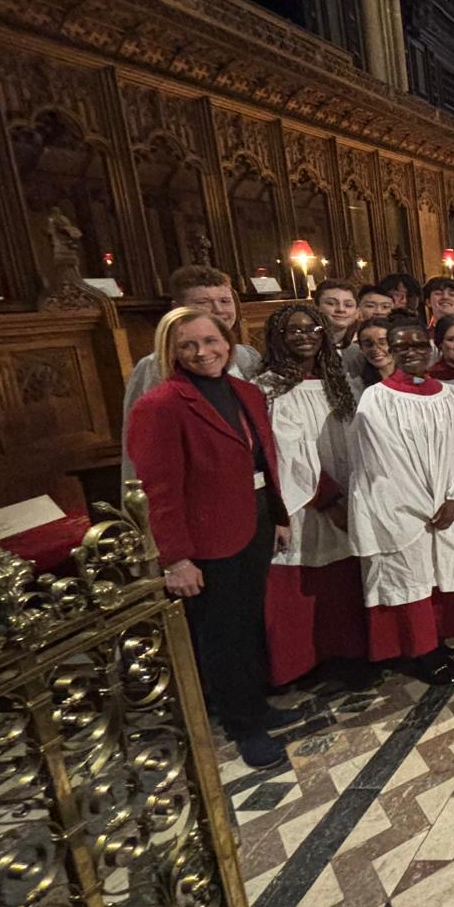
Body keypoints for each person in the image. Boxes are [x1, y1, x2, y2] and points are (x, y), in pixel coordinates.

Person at [126, 307, 292, 768]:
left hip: (255, 522)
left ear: (228, 341)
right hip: (208, 539)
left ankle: (256, 706)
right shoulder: (161, 405)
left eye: (211, 341)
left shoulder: (245, 392)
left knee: (249, 622)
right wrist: (176, 559)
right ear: (172, 351)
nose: (203, 352)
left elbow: (264, 459)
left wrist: (278, 516)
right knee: (223, 634)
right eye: (188, 345)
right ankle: (243, 726)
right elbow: (158, 491)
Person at [346, 318, 454, 686]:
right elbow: (380, 462)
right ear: (391, 351)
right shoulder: (377, 399)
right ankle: (423, 653)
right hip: (403, 511)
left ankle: (439, 644)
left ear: (431, 347)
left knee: (443, 581)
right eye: (402, 347)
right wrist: (422, 505)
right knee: (413, 583)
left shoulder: (451, 396)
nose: (411, 352)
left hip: (447, 505)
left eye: (418, 345)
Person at [254, 304, 367, 686]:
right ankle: (298, 667)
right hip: (303, 501)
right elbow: (283, 452)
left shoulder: (341, 383)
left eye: (312, 329)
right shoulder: (268, 388)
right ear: (278, 337)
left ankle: (348, 656)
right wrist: (326, 499)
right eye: (294, 330)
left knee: (342, 581)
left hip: (346, 491)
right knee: (299, 581)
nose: (304, 336)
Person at [122, 265, 262, 482]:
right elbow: (145, 444)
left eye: (225, 301)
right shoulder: (156, 366)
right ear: (177, 309)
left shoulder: (247, 357)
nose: (218, 310)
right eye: (203, 303)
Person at [314, 278, 360, 349]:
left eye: (348, 305)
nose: (341, 309)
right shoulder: (307, 346)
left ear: (357, 311)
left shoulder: (363, 349)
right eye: (331, 303)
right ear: (316, 307)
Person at [355, 317, 395, 390]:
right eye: (368, 344)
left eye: (383, 342)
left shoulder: (414, 379)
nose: (375, 349)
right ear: (361, 348)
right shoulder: (357, 385)